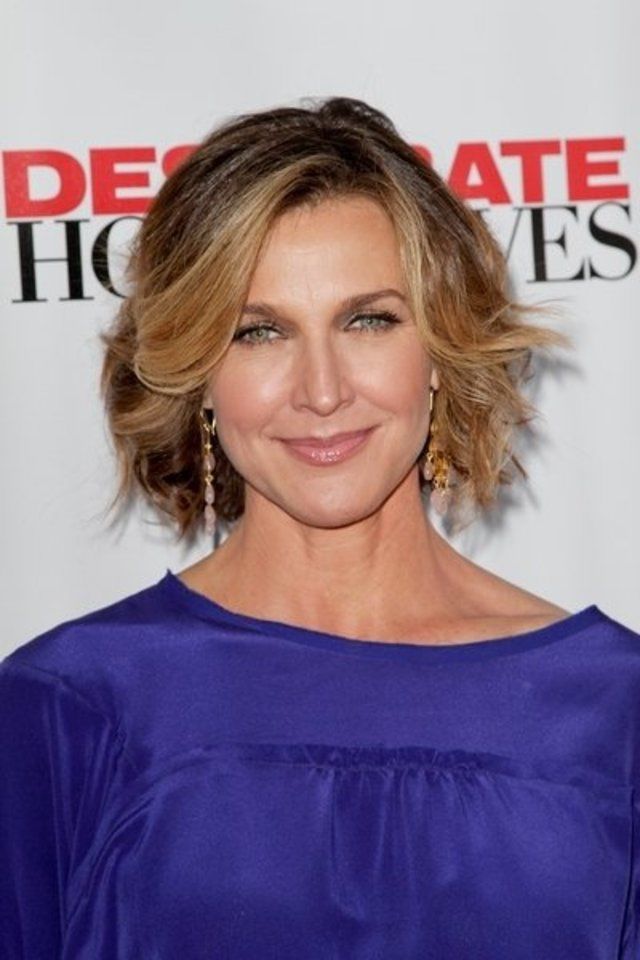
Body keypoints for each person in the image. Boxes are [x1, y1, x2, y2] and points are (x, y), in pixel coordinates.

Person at [1, 95, 639, 959]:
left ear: (440, 350)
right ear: (197, 375)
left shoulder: (610, 707)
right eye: (259, 333)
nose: (323, 391)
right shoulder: (70, 705)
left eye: (368, 320)